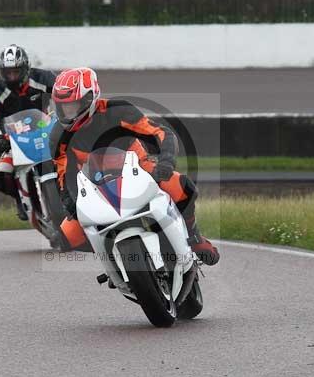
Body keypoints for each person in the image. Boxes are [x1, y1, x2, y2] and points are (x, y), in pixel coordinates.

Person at [48, 67, 219, 266]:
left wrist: (165, 162)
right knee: (65, 238)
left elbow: (160, 133)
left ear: (90, 98)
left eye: (73, 106)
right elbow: (61, 176)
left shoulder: (118, 111)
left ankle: (194, 237)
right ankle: (114, 260)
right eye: (63, 107)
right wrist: (71, 202)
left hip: (139, 167)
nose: (67, 113)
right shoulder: (58, 137)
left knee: (181, 186)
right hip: (94, 185)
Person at [0, 44, 57, 220]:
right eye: (8, 72)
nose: (12, 76)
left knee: (72, 155)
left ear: (25, 68)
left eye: (16, 71)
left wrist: (62, 116)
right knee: (0, 175)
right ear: (1, 71)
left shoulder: (43, 77)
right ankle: (19, 198)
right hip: (15, 140)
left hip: (46, 131)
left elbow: (65, 92)